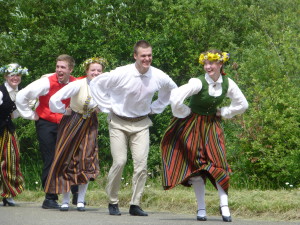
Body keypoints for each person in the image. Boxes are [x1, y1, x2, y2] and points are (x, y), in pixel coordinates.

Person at [90, 40, 177, 216]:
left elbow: (172, 89)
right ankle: (113, 201)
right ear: (135, 56)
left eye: (149, 55)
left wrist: (157, 107)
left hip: (141, 123)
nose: (147, 59)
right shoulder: (122, 73)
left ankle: (135, 204)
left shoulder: (158, 75)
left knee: (141, 165)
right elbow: (96, 84)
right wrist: (107, 106)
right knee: (120, 161)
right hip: (118, 122)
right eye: (143, 55)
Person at [160, 49, 248, 222]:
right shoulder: (198, 82)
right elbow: (176, 97)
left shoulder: (228, 83)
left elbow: (243, 104)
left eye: (212, 63)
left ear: (220, 64)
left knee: (219, 162)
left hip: (212, 126)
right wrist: (185, 111)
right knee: (197, 167)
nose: (208, 67)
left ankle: (225, 206)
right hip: (191, 126)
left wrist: (224, 112)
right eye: (206, 63)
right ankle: (201, 209)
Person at [44, 57, 107, 211]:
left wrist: (102, 109)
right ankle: (65, 199)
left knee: (86, 158)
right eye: (93, 70)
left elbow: (111, 103)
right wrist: (62, 110)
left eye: (99, 70)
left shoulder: (104, 87)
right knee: (67, 158)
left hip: (90, 123)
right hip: (73, 121)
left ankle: (81, 200)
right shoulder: (78, 84)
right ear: (87, 71)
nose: (96, 73)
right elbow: (54, 99)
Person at [16, 55, 77, 209]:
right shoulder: (46, 82)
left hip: (66, 123)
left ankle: (76, 192)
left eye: (63, 67)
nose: (59, 70)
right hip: (46, 123)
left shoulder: (76, 83)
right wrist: (30, 114)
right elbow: (22, 95)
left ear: (70, 69)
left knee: (70, 157)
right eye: (57, 67)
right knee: (50, 158)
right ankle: (49, 198)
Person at [0, 63, 28, 206]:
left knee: (11, 159)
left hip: (7, 129)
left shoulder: (22, 91)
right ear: (6, 76)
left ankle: (8, 192)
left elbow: (16, 113)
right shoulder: (0, 91)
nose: (15, 78)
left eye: (17, 75)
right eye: (12, 75)